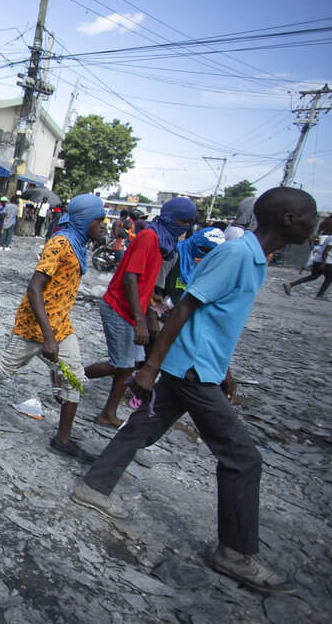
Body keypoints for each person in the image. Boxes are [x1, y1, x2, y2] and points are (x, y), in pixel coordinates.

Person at [73, 187, 316, 595]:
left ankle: (92, 487)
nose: (316, 224)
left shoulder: (253, 258)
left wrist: (225, 369)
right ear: (288, 219)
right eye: (310, 217)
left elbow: (216, 319)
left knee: (142, 427)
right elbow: (185, 307)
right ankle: (235, 552)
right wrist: (149, 367)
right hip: (191, 370)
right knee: (242, 458)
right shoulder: (237, 255)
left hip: (201, 365)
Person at [0, 195, 107, 463]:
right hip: (35, 323)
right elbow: (34, 288)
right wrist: (48, 337)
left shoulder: (78, 245)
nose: (103, 225)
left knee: (74, 376)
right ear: (83, 220)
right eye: (99, 219)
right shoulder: (60, 243)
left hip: (61, 324)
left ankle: (62, 440)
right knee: (5, 367)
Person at [83, 197, 196, 427]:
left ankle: (109, 412)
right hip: (119, 307)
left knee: (128, 364)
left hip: (131, 309)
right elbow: (130, 277)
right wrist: (140, 321)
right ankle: (70, 376)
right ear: (172, 218)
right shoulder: (150, 237)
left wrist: (151, 305)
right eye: (183, 221)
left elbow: (143, 279)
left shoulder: (163, 242)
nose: (186, 228)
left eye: (189, 223)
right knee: (120, 364)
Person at [283, 218, 332, 299]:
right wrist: (323, 263)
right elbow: (326, 251)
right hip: (326, 262)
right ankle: (319, 295)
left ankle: (290, 285)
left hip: (318, 260)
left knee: (313, 276)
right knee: (329, 278)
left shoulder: (328, 237)